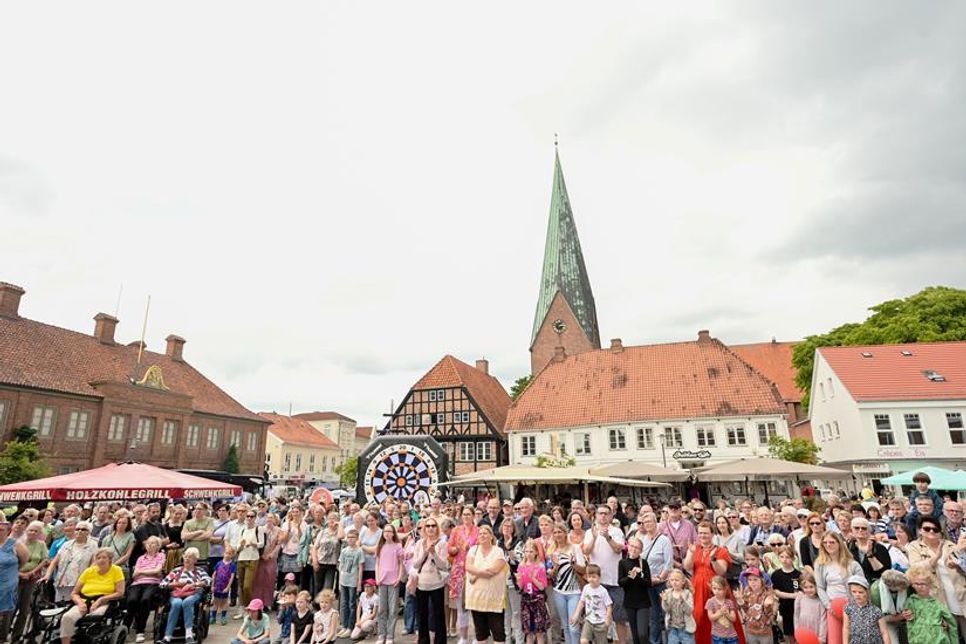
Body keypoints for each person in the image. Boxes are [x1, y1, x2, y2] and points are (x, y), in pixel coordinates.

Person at [905, 514, 966, 639]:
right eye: (927, 528)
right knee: (946, 638)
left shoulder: (950, 545)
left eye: (935, 529)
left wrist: (958, 562)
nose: (931, 531)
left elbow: (962, 566)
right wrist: (935, 558)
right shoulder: (914, 547)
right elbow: (915, 570)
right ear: (920, 530)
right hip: (938, 601)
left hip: (960, 596)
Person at [684, 521, 739, 644]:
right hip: (697, 588)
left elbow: (721, 571)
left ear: (713, 534)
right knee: (698, 618)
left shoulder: (720, 550)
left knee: (721, 619)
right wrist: (691, 553)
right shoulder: (694, 548)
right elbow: (687, 566)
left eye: (706, 533)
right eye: (700, 533)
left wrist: (713, 559)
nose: (702, 536)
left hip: (716, 588)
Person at [59, 548, 126, 644]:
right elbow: (74, 593)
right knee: (67, 617)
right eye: (98, 558)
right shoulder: (88, 571)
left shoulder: (116, 570)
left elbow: (120, 593)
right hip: (84, 601)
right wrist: (80, 603)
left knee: (94, 617)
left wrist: (101, 600)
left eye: (104, 557)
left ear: (110, 559)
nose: (101, 560)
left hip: (105, 601)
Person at [583, 504, 628, 644]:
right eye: (600, 513)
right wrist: (595, 537)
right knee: (597, 619)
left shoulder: (617, 531)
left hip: (615, 581)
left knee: (619, 618)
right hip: (597, 583)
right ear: (595, 516)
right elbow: (586, 551)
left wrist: (608, 537)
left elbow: (618, 549)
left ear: (611, 516)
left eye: (606, 513)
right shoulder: (589, 532)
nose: (603, 516)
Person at [814, 531, 863, 644]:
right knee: (834, 640)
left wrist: (855, 604)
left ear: (839, 543)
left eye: (832, 542)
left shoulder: (853, 564)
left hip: (852, 606)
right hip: (832, 606)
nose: (828, 545)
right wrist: (828, 605)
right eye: (825, 542)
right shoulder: (820, 564)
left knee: (854, 639)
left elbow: (861, 587)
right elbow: (820, 587)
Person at [159, 547, 212, 643]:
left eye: (190, 557)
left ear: (195, 560)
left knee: (187, 602)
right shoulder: (176, 571)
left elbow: (208, 581)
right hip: (177, 594)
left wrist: (193, 584)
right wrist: (176, 584)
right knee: (176, 604)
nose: (187, 559)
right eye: (186, 556)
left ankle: (189, 634)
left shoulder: (199, 570)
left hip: (193, 593)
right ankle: (167, 636)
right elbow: (162, 584)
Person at [410, 516, 450, 644]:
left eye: (433, 526)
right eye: (428, 526)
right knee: (422, 614)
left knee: (439, 614)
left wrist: (434, 553)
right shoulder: (419, 543)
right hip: (422, 583)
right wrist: (425, 553)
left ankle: (440, 641)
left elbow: (444, 565)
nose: (430, 528)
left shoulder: (443, 543)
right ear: (424, 529)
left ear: (437, 528)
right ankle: (423, 640)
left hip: (437, 583)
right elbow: (415, 564)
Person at [637, 511, 672, 644]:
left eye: (650, 521)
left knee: (666, 615)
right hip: (648, 583)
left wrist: (659, 578)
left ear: (655, 522)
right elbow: (640, 561)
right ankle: (655, 641)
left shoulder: (664, 540)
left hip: (662, 583)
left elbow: (668, 563)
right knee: (653, 616)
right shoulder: (643, 540)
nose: (647, 524)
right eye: (645, 522)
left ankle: (670, 641)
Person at [11, 519, 49, 641]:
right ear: (26, 531)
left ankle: (17, 635)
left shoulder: (41, 544)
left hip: (31, 579)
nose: (32, 533)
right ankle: (4, 631)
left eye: (35, 531)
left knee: (25, 608)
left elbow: (44, 560)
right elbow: (10, 560)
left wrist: (31, 572)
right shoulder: (17, 542)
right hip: (15, 577)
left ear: (39, 533)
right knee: (12, 606)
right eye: (30, 530)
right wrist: (19, 573)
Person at [43, 519, 98, 601]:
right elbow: (54, 561)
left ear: (88, 532)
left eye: (83, 529)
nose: (79, 531)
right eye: (77, 529)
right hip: (62, 581)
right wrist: (47, 575)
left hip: (79, 581)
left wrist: (86, 579)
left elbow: (94, 563)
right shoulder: (66, 544)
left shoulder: (93, 545)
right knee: (59, 605)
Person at [126, 535, 166, 643]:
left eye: (153, 543)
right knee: (132, 600)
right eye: (148, 543)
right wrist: (150, 571)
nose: (150, 545)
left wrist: (142, 572)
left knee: (145, 600)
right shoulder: (140, 558)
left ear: (158, 546)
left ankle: (140, 631)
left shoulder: (161, 556)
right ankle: (126, 628)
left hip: (153, 584)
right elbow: (134, 574)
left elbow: (157, 571)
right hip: (137, 584)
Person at [549, 522, 584, 644]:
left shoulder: (575, 548)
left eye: (560, 532)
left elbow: (583, 569)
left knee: (574, 626)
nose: (557, 535)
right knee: (566, 626)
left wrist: (573, 564)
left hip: (574, 591)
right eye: (555, 532)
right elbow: (551, 575)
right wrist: (556, 566)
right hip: (559, 592)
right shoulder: (552, 551)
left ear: (565, 533)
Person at [904, 563, 957, 644]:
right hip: (919, 640)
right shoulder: (911, 601)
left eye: (922, 584)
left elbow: (951, 622)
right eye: (916, 584)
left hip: (938, 640)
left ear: (929, 585)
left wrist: (947, 625)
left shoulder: (937, 602)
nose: (919, 587)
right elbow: (909, 622)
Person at [449, 506, 479, 644]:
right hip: (458, 572)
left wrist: (472, 548)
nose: (466, 517)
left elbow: (482, 548)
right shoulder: (456, 531)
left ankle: (477, 636)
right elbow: (449, 548)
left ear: (473, 516)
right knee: (461, 605)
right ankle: (464, 637)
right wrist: (454, 549)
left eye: (468, 514)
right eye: (464, 514)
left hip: (473, 571)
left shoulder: (478, 531)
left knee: (475, 605)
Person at [232, 508, 264, 619]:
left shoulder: (258, 529)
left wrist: (253, 543)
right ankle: (242, 608)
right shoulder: (242, 530)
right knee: (241, 586)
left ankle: (248, 607)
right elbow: (237, 547)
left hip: (252, 558)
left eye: (252, 516)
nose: (249, 518)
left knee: (247, 586)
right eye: (248, 516)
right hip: (241, 558)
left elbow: (261, 544)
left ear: (255, 518)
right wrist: (241, 545)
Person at [619, 537, 652, 644]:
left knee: (642, 633)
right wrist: (631, 576)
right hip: (629, 602)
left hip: (643, 602)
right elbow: (621, 582)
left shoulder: (644, 563)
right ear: (628, 546)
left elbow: (648, 583)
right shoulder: (622, 562)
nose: (634, 549)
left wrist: (638, 577)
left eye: (637, 547)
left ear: (641, 550)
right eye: (632, 546)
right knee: (635, 635)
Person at [375, 522, 404, 644]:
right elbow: (377, 563)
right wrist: (377, 577)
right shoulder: (380, 546)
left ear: (393, 533)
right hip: (382, 581)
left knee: (392, 609)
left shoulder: (398, 546)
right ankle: (382, 635)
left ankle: (390, 636)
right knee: (382, 609)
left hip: (393, 581)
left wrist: (399, 577)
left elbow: (401, 563)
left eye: (389, 531)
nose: (387, 533)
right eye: (385, 531)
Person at [516, 538, 549, 644]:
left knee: (539, 631)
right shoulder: (521, 566)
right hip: (526, 600)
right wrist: (519, 580)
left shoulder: (540, 566)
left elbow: (542, 587)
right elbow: (520, 587)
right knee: (528, 631)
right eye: (526, 551)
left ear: (535, 552)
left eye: (531, 551)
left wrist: (533, 578)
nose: (528, 554)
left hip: (537, 600)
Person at [0, 518, 28, 643]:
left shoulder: (16, 544)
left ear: (7, 531)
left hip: (7, 585)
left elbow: (23, 560)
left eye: (1, 530)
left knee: (4, 615)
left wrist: (11, 571)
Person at [498, 516, 525, 644]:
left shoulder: (518, 542)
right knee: (505, 614)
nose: (507, 528)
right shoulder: (498, 542)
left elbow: (518, 561)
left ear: (514, 529)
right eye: (505, 526)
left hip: (514, 583)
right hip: (501, 584)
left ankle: (519, 640)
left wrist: (509, 550)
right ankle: (507, 639)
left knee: (516, 613)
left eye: (509, 526)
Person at [570, 563, 611, 644]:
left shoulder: (603, 591)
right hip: (589, 621)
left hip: (601, 623)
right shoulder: (586, 588)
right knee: (583, 641)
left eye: (594, 577)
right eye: (589, 577)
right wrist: (576, 615)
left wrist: (608, 617)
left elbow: (609, 605)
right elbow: (582, 602)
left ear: (599, 577)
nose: (591, 579)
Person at [842, 575, 889, 644]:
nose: (857, 595)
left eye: (860, 592)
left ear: (867, 592)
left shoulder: (876, 611)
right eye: (854, 592)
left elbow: (884, 632)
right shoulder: (848, 609)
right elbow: (846, 628)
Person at [769, 546, 800, 644]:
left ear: (793, 558)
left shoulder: (799, 574)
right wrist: (792, 596)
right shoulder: (776, 575)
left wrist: (797, 595)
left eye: (787, 557)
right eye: (782, 557)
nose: (784, 560)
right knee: (789, 633)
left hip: (798, 609)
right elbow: (776, 592)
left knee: (799, 632)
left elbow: (801, 592)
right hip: (785, 609)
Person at [870, 569, 910, 644]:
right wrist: (899, 617)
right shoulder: (876, 592)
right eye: (901, 587)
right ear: (891, 586)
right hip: (887, 620)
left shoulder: (906, 586)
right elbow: (878, 619)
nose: (904, 589)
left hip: (905, 619)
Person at [338, 528, 365, 638]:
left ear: (357, 538)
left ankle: (350, 626)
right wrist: (339, 581)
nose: (350, 539)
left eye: (352, 537)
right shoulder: (344, 550)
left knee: (352, 604)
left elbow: (360, 567)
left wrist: (359, 583)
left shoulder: (359, 551)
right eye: (348, 537)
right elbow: (341, 566)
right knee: (344, 604)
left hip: (353, 581)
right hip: (344, 580)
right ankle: (344, 625)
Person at [736, 568, 774, 644]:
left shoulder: (767, 594)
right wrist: (741, 601)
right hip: (751, 630)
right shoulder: (747, 591)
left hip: (764, 631)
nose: (752, 583)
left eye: (755, 579)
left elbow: (771, 615)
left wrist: (767, 606)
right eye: (749, 580)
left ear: (762, 580)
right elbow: (746, 609)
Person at [849, 518, 891, 583]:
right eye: (856, 528)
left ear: (869, 531)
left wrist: (870, 554)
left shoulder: (879, 548)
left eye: (864, 528)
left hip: (874, 583)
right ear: (852, 530)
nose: (860, 530)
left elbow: (884, 572)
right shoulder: (848, 547)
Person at [251, 512, 280, 607]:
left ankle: (268, 603)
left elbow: (278, 545)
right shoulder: (260, 529)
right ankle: (257, 603)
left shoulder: (278, 530)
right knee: (258, 581)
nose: (269, 519)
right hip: (260, 558)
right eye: (268, 518)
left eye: (271, 518)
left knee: (270, 580)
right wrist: (261, 555)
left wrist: (271, 555)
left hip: (271, 559)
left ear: (275, 520)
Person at [660, 570, 695, 644]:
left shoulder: (687, 593)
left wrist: (683, 601)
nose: (674, 582)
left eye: (677, 580)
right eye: (672, 580)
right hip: (673, 629)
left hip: (686, 629)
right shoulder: (668, 592)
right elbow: (666, 609)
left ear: (683, 581)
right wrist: (664, 601)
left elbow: (689, 611)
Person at [312, 512, 343, 592]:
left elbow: (341, 536)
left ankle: (325, 604)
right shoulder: (322, 532)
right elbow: (315, 547)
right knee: (318, 587)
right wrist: (315, 561)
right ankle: (317, 604)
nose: (332, 521)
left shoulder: (339, 532)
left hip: (331, 564)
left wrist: (339, 525)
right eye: (330, 519)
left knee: (327, 588)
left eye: (334, 519)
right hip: (320, 562)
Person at [704, 576, 739, 644]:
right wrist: (720, 612)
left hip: (731, 636)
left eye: (719, 589)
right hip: (717, 636)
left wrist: (727, 614)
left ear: (725, 589)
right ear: (711, 588)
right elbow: (711, 618)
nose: (716, 591)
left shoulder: (729, 602)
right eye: (714, 588)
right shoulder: (710, 602)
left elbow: (734, 619)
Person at [793, 573, 826, 644]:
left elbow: (823, 620)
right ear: (802, 587)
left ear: (816, 586)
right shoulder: (799, 598)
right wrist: (797, 632)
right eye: (805, 587)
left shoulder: (821, 601)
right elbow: (796, 616)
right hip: (803, 631)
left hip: (816, 632)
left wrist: (821, 638)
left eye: (811, 587)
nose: (809, 590)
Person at [182, 503, 215, 570]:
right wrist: (199, 532)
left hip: (203, 555)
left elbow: (208, 535)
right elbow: (183, 536)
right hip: (189, 555)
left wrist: (191, 537)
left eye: (200, 509)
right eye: (196, 508)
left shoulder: (210, 521)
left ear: (205, 511)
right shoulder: (188, 522)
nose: (197, 510)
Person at [210, 546, 237, 626]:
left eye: (230, 554)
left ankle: (223, 617)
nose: (227, 555)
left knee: (224, 602)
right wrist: (212, 585)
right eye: (226, 553)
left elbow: (231, 577)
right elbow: (214, 575)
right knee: (216, 601)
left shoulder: (232, 565)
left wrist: (228, 587)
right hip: (217, 586)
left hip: (225, 587)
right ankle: (213, 617)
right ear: (223, 553)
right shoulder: (219, 563)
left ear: (232, 555)